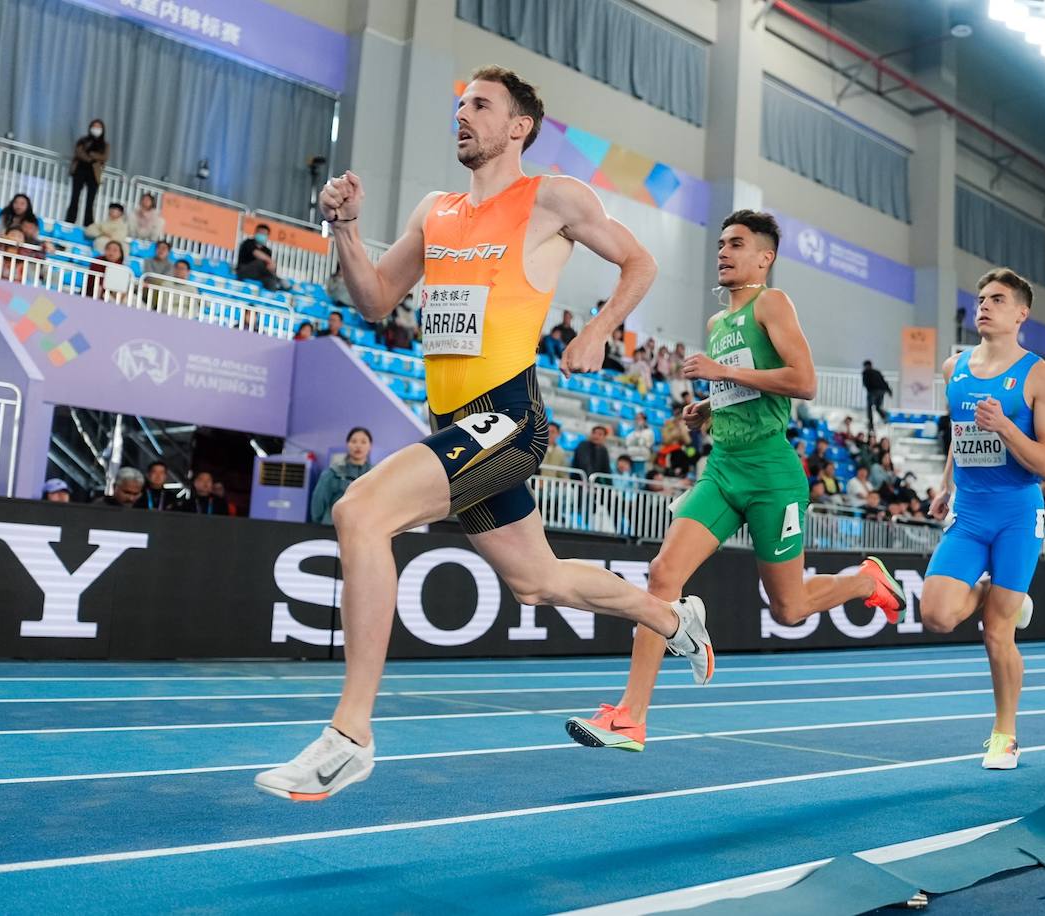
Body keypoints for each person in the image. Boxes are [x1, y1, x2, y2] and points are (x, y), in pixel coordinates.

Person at [256, 66, 713, 801]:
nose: (462, 114)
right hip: (453, 424)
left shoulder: (553, 197)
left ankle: (349, 736)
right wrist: (342, 229)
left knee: (359, 512)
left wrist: (598, 328)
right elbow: (374, 300)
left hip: (507, 418)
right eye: (459, 103)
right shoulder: (434, 211)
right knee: (538, 581)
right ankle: (671, 617)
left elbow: (640, 259)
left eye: (480, 105)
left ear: (519, 126)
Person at [565, 209, 904, 754]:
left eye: (737, 244)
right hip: (724, 467)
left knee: (790, 609)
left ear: (764, 258)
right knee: (662, 575)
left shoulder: (773, 303)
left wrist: (723, 374)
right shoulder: (716, 325)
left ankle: (866, 580)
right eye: (721, 242)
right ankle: (630, 716)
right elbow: (743, 391)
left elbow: (804, 381)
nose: (723, 251)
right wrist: (708, 408)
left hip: (772, 474)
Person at [922, 267, 1045, 771]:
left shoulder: (1041, 375)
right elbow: (960, 435)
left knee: (996, 632)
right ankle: (1002, 597)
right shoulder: (952, 367)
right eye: (981, 297)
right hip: (970, 510)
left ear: (1021, 313)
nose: (984, 305)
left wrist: (1005, 426)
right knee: (936, 615)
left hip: (1016, 514)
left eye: (997, 299)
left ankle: (1005, 735)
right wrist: (946, 484)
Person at [310, 428, 374, 526]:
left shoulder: (375, 475)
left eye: (363, 442)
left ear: (370, 446)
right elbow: (318, 503)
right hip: (333, 528)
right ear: (347, 444)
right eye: (353, 441)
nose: (358, 446)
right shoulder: (332, 473)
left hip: (364, 530)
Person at [65, 119, 108, 226]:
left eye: (99, 127)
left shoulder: (104, 144)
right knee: (75, 197)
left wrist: (91, 155)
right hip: (80, 170)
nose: (96, 129)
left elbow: (104, 157)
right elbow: (79, 153)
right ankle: (70, 220)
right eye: (94, 126)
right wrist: (91, 158)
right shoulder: (83, 140)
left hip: (94, 173)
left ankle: (88, 224)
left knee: (90, 201)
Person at [237, 223, 292, 291]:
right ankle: (279, 280)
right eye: (260, 233)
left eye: (264, 234)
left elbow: (269, 266)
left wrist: (271, 266)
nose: (261, 235)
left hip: (259, 275)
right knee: (260, 263)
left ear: (267, 236)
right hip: (244, 271)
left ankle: (273, 294)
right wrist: (270, 261)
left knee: (270, 280)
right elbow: (256, 253)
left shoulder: (267, 251)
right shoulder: (248, 243)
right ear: (256, 233)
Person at [861, 359, 892, 431]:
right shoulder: (877, 372)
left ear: (865, 366)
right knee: (878, 407)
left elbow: (865, 384)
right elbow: (884, 382)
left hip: (873, 392)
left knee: (869, 408)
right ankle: (885, 417)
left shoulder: (865, 372)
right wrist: (889, 391)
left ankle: (871, 424)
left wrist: (870, 390)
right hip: (881, 392)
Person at [624, 410, 654, 478]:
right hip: (632, 458)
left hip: (643, 459)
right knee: (630, 476)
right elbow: (628, 443)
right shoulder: (631, 432)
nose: (638, 421)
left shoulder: (649, 432)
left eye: (640, 418)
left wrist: (639, 437)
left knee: (641, 477)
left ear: (645, 420)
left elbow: (647, 444)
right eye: (637, 419)